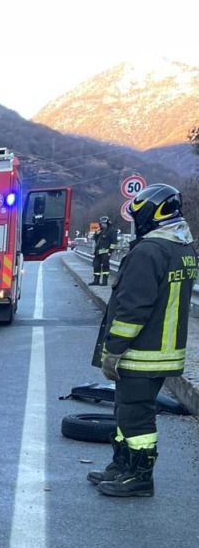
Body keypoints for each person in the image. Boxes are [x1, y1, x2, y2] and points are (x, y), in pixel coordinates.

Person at [89, 183, 196, 497]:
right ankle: (121, 466)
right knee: (127, 411)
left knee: (135, 415)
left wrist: (114, 350)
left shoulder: (149, 251)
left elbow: (133, 308)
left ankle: (138, 477)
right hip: (165, 350)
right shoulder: (182, 248)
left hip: (142, 352)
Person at [91, 215, 118, 286]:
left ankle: (104, 281)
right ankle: (96, 280)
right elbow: (95, 239)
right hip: (97, 252)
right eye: (102, 223)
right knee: (96, 266)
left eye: (104, 224)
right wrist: (97, 234)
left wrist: (110, 252)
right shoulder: (100, 230)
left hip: (106, 252)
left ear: (107, 223)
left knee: (105, 266)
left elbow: (114, 242)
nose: (103, 225)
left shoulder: (112, 231)